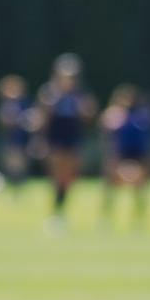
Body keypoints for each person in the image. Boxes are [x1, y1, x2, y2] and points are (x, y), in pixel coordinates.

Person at [37, 54, 94, 228]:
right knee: (56, 176)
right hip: (55, 139)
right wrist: (41, 140)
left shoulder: (80, 95)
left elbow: (89, 115)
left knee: (68, 177)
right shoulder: (49, 93)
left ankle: (61, 210)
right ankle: (56, 211)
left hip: (72, 138)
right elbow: (43, 119)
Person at [100, 84, 150, 227]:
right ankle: (106, 217)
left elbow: (146, 138)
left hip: (137, 155)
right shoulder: (114, 114)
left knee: (139, 188)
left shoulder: (141, 115)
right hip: (119, 155)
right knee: (111, 186)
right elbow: (107, 131)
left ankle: (139, 218)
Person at [0, 74, 34, 190]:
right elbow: (4, 121)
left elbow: (32, 118)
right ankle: (12, 184)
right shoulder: (6, 104)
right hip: (11, 138)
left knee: (22, 163)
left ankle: (20, 184)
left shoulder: (25, 103)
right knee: (11, 163)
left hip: (23, 138)